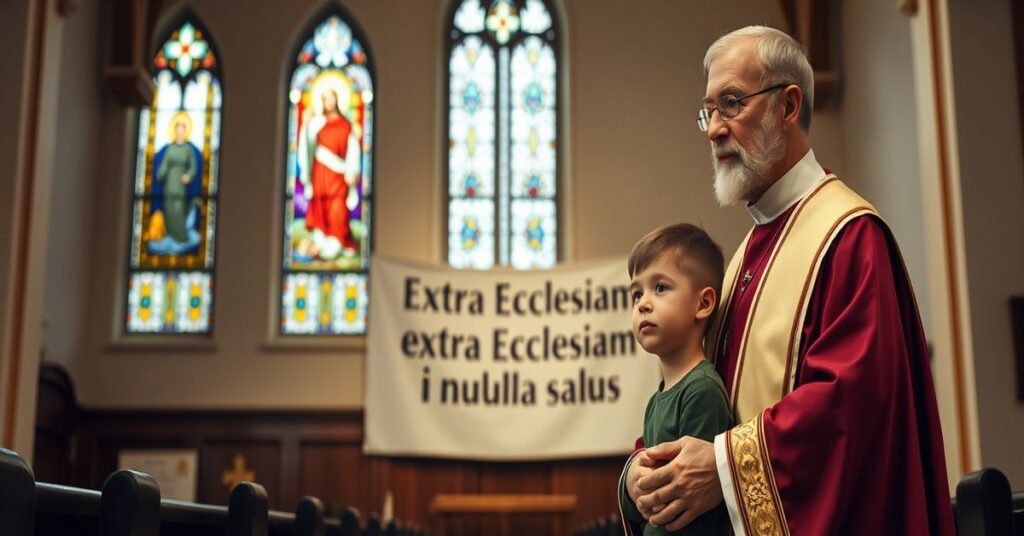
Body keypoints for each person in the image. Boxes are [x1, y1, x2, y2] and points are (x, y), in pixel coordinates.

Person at [619, 26, 955, 535]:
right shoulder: (746, 255)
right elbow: (695, 391)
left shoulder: (849, 237)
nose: (713, 129)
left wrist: (723, 468)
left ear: (789, 105)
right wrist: (640, 476)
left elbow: (850, 409)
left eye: (731, 103)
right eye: (708, 111)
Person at [620, 223, 732, 536]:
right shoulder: (659, 398)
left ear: (703, 304)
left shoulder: (701, 391)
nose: (643, 303)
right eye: (636, 293)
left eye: (660, 288)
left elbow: (688, 514)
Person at [299, 86, 361, 260]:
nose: (329, 102)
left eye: (332, 98)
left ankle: (337, 242)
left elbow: (353, 148)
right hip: (320, 173)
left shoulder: (345, 125)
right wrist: (305, 124)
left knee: (337, 207)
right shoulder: (316, 123)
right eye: (325, 98)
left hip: (339, 174)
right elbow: (307, 147)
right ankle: (321, 240)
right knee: (320, 205)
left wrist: (352, 170)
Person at [155, 114, 198, 245]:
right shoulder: (170, 149)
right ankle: (171, 236)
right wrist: (160, 175)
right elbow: (165, 164)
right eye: (177, 129)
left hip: (180, 184)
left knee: (178, 210)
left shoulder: (188, 149)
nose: (179, 132)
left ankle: (182, 238)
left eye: (182, 129)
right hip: (169, 183)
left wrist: (188, 176)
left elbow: (193, 166)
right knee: (169, 210)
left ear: (185, 132)